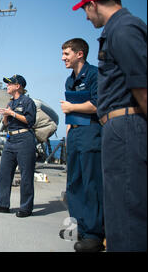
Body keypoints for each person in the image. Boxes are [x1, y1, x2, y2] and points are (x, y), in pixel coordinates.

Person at [73, 0, 147, 252]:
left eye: (85, 9)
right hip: (118, 126)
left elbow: (142, 86)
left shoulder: (124, 29)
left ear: (93, 5)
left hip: (126, 125)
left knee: (128, 210)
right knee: (119, 207)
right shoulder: (118, 29)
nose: (85, 15)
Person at [60, 38, 105, 252]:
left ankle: (94, 234)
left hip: (91, 131)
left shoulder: (95, 74)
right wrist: (69, 132)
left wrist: (71, 106)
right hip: (75, 133)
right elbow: (71, 113)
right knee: (74, 182)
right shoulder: (70, 81)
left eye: (67, 54)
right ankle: (76, 226)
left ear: (80, 54)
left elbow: (98, 104)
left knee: (91, 183)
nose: (63, 58)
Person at [0, 75, 37, 218]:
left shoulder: (28, 102)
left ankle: (26, 208)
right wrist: (5, 116)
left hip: (24, 139)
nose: (7, 86)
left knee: (26, 175)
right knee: (3, 173)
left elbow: (30, 121)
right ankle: (3, 204)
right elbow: (8, 124)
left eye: (10, 84)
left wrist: (12, 113)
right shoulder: (11, 103)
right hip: (11, 139)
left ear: (18, 86)